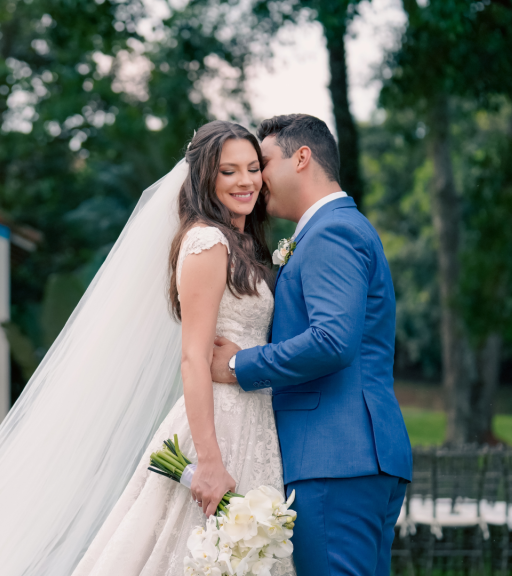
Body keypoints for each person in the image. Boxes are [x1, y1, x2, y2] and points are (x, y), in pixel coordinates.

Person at [71, 120, 292, 576]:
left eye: (252, 168)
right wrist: (209, 462)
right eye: (228, 171)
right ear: (205, 178)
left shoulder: (243, 243)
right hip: (219, 425)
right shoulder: (207, 242)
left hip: (254, 416)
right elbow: (193, 357)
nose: (246, 181)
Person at [209, 114, 412, 576]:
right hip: (355, 454)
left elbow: (331, 341)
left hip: (336, 455)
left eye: (262, 163)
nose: (256, 180)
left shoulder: (331, 232)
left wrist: (240, 365)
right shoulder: (331, 229)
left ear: (302, 158)